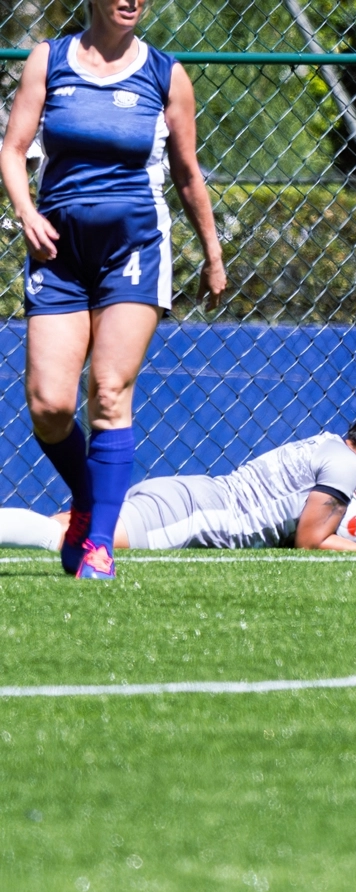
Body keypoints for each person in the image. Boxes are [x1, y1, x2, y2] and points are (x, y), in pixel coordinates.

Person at [0, 0, 226, 579]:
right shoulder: (49, 61)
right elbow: (11, 150)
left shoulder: (165, 73)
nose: (131, 1)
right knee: (49, 406)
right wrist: (25, 211)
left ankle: (99, 543)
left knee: (108, 390)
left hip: (134, 251)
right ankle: (90, 500)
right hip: (58, 253)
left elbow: (186, 171)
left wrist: (213, 253)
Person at [0, 401, 356, 555]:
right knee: (69, 539)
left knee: (69, 528)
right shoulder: (345, 466)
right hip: (193, 513)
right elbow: (310, 541)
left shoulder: (328, 447)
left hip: (191, 499)